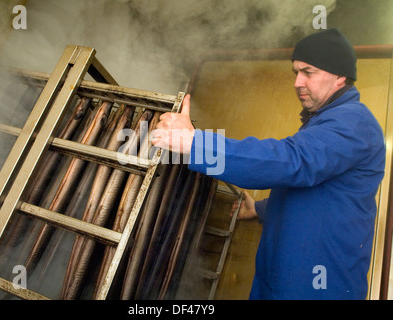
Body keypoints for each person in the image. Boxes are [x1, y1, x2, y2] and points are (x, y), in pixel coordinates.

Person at [152, 28, 386, 300]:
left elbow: (293, 161)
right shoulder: (324, 122)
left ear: (339, 76)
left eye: (308, 72)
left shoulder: (354, 122)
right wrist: (261, 209)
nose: (297, 82)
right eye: (295, 72)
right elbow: (318, 192)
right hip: (282, 283)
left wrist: (195, 145)